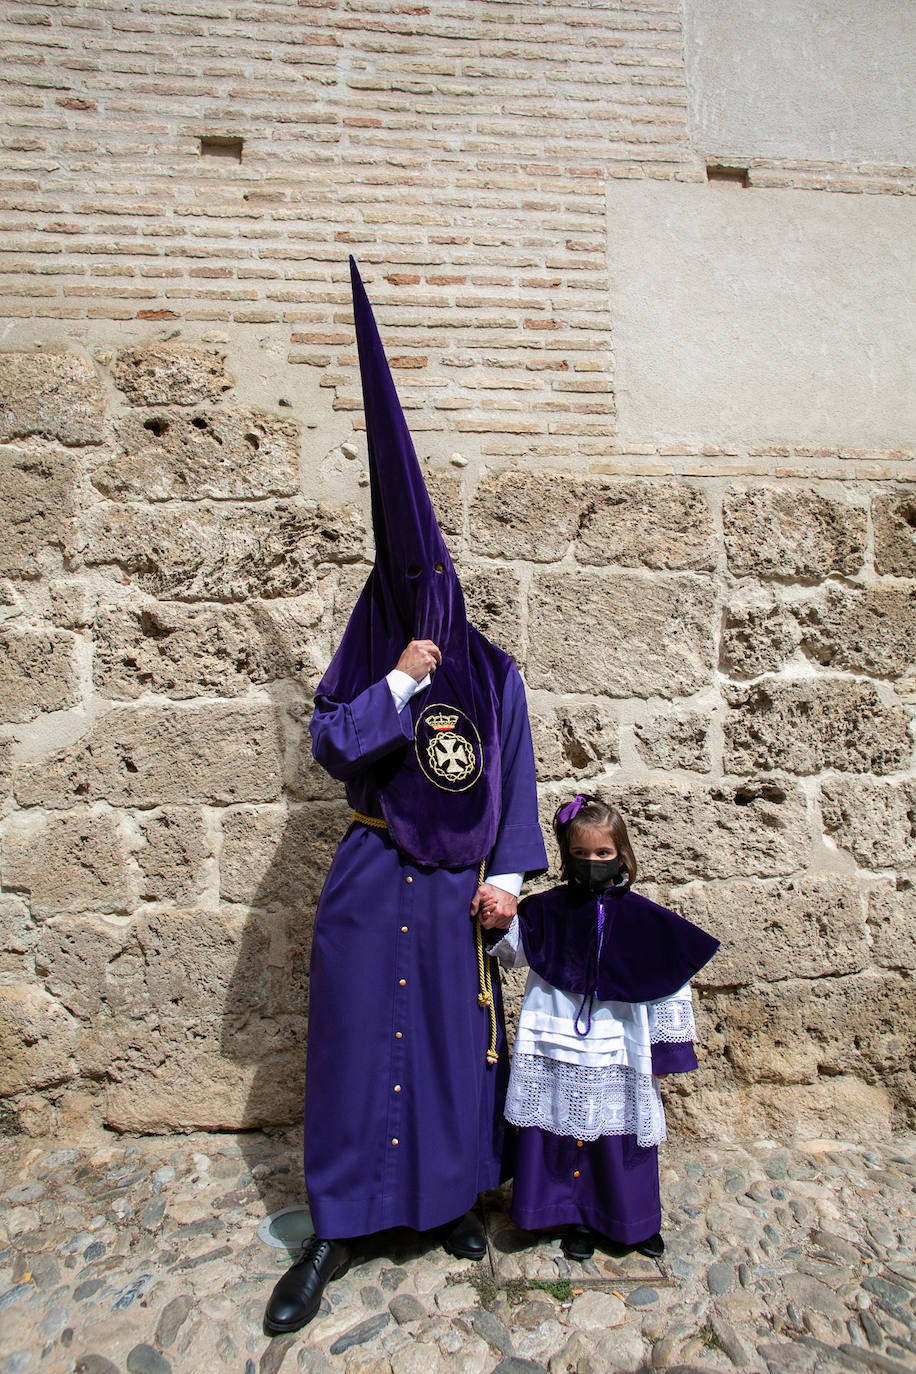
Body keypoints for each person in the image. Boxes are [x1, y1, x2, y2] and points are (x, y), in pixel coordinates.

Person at [264, 260, 547, 1336]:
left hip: (454, 891)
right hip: (373, 869)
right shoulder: (375, 660)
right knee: (350, 1046)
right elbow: (334, 747)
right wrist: (398, 680)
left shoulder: (496, 672)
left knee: (444, 1048)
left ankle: (442, 1204)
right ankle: (337, 1224)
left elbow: (514, 779)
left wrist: (510, 883)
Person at [485, 793, 718, 1261]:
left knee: (622, 1134)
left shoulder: (646, 921)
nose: (591, 862)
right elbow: (514, 952)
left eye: (602, 854)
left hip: (618, 1043)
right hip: (555, 1037)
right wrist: (495, 917)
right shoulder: (546, 910)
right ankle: (567, 1215)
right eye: (580, 854)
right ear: (567, 856)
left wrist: (668, 1049)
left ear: (622, 855)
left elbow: (669, 980)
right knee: (554, 1124)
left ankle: (628, 1218)